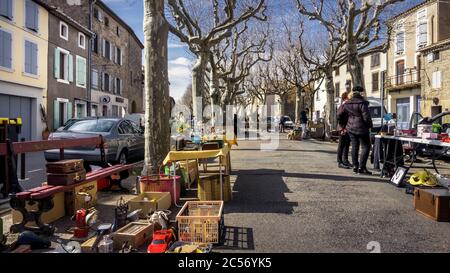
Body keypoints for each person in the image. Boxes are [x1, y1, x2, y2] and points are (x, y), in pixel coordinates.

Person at [338, 86, 373, 175]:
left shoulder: (347, 103)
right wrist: (369, 125)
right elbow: (366, 117)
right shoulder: (362, 103)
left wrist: (343, 126)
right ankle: (362, 167)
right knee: (366, 146)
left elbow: (339, 115)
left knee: (354, 146)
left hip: (351, 128)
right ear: (361, 93)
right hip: (362, 128)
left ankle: (355, 167)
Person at [336, 92, 352, 169]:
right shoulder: (344, 105)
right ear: (346, 98)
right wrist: (342, 127)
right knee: (341, 145)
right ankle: (340, 162)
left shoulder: (346, 105)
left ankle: (345, 160)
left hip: (346, 127)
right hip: (343, 128)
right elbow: (339, 116)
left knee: (346, 144)